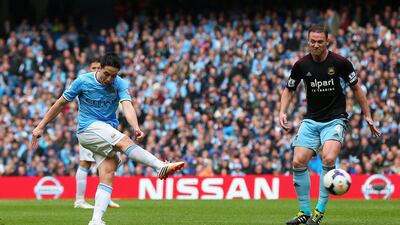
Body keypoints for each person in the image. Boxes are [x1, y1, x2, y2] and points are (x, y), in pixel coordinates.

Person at [31, 52, 184, 225]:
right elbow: (60, 103)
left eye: (114, 75)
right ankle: (159, 166)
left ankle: (96, 220)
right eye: (107, 74)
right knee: (125, 142)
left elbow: (127, 105)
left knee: (108, 172)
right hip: (88, 129)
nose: (109, 78)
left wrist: (135, 127)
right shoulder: (82, 81)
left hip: (105, 132)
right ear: (100, 68)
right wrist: (41, 126)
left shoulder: (119, 83)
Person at [279, 24, 381, 225]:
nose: (316, 45)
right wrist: (282, 111)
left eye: (320, 41)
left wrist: (368, 115)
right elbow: (289, 89)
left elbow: (357, 89)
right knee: (298, 161)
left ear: (327, 42)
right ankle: (304, 212)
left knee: (329, 157)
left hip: (335, 119)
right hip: (311, 119)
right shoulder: (301, 65)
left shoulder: (341, 63)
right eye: (312, 41)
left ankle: (318, 213)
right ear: (308, 41)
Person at [74, 57, 120, 209]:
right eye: (92, 68)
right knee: (85, 162)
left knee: (110, 162)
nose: (95, 70)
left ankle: (104, 197)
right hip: (90, 129)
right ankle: (80, 200)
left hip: (107, 128)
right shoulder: (85, 85)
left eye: (96, 67)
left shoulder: (111, 85)